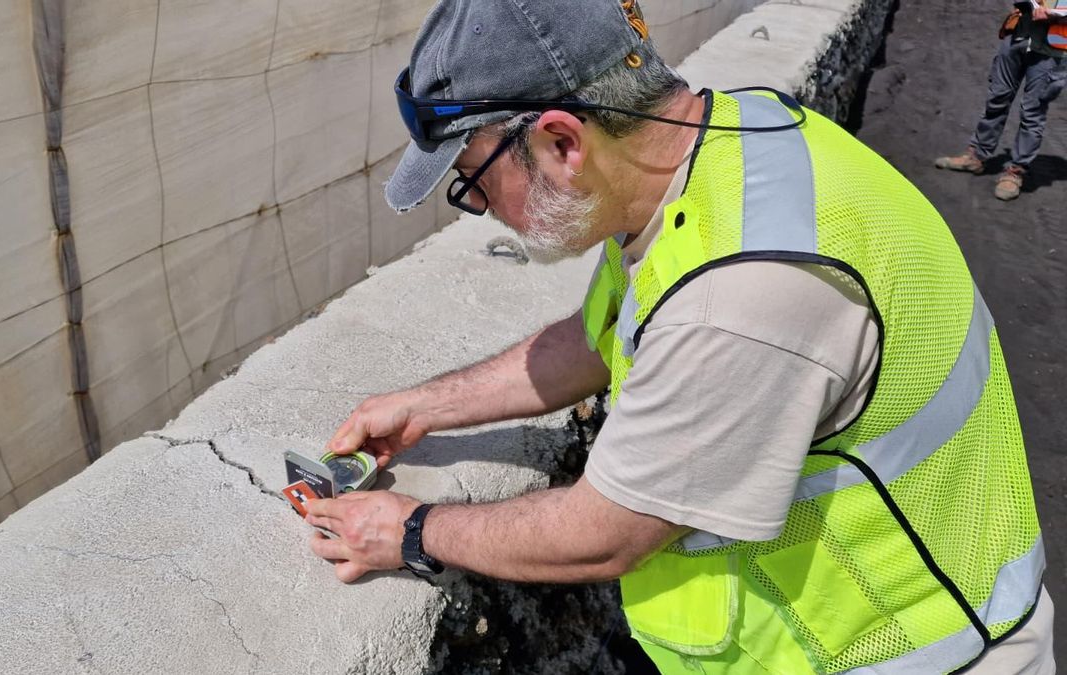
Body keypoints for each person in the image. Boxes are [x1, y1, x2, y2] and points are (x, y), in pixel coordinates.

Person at [304, 0, 1054, 671]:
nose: (478, 206)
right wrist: (428, 406)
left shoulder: (744, 293)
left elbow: (608, 530)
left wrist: (408, 530)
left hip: (908, 652)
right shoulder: (719, 141)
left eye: (472, 178)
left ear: (563, 143)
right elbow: (598, 339)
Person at [935, 0, 1067, 200]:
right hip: (1018, 37)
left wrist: (1055, 14)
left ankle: (1016, 171)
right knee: (997, 98)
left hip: (1052, 51)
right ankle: (976, 156)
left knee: (1032, 112)